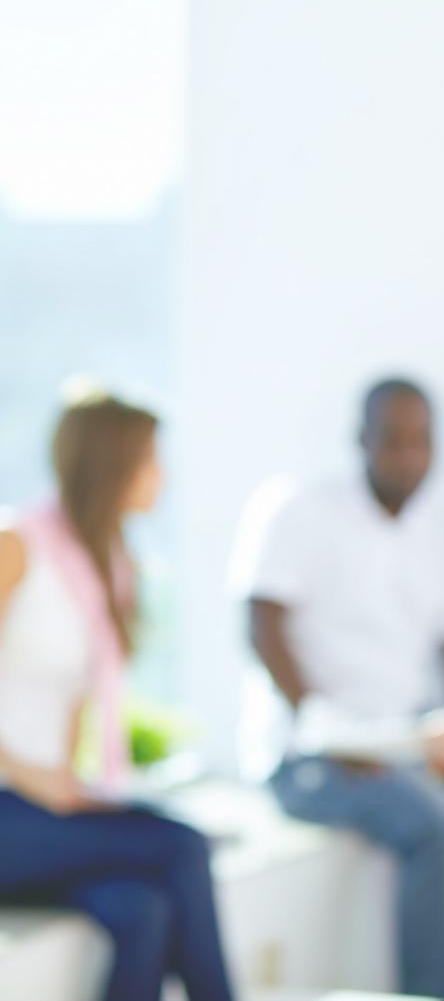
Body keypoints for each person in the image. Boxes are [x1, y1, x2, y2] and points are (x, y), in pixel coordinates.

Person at [237, 377, 444, 1001]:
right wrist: (323, 727)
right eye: (393, 441)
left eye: (421, 442)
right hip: (314, 751)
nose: (408, 456)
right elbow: (262, 627)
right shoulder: (300, 510)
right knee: (441, 828)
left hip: (409, 739)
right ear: (361, 440)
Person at [0, 391, 237, 1001]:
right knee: (182, 845)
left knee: (143, 910)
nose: (162, 476)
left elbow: (69, 709)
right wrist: (27, 774)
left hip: (43, 815)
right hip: (11, 807)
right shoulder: (17, 548)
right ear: (112, 466)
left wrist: (71, 783)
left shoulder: (104, 563)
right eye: (150, 459)